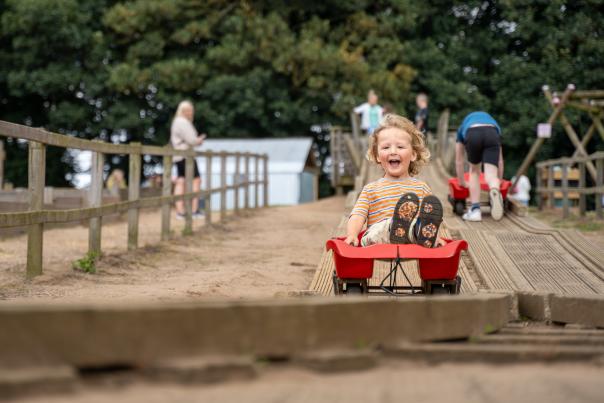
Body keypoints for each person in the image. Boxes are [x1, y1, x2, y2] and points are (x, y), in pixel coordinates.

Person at [345, 114, 443, 248]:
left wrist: (436, 237)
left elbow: (432, 220)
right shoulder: (371, 189)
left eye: (400, 147)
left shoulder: (421, 188)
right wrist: (352, 235)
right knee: (385, 226)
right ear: (377, 156)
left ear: (413, 154)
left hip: (411, 240)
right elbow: (357, 215)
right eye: (386, 147)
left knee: (420, 224)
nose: (393, 151)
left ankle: (414, 233)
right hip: (377, 238)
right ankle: (397, 227)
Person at [455, 111, 504, 222]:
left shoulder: (463, 125)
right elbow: (500, 161)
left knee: (474, 171)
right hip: (492, 133)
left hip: (472, 133)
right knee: (491, 175)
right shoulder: (494, 124)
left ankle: (476, 210)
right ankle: (494, 190)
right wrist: (499, 180)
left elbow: (459, 161)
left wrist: (462, 181)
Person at [170, 100, 206, 219]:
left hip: (180, 155)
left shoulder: (177, 121)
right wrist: (198, 140)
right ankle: (194, 210)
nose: (191, 113)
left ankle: (181, 211)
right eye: (189, 110)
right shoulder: (182, 122)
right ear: (184, 111)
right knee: (196, 180)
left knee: (181, 181)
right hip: (185, 155)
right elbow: (192, 140)